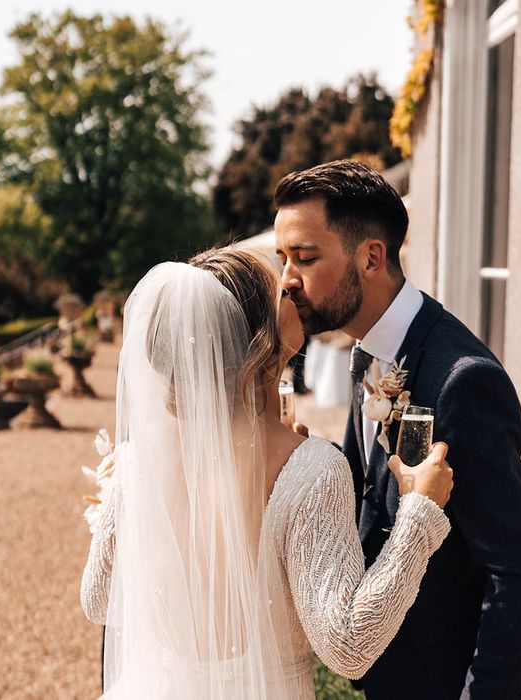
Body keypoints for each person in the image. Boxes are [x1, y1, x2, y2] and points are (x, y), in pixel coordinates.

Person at [79, 247, 454, 698]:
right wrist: (420, 514)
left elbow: (98, 599)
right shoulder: (313, 469)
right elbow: (349, 646)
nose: (292, 288)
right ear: (261, 338)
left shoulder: (136, 461)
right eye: (280, 291)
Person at [274, 159, 521, 699]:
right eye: (282, 258)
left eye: (305, 257)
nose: (288, 279)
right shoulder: (367, 353)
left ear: (371, 257)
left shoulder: (463, 380)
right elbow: (370, 500)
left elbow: (515, 574)